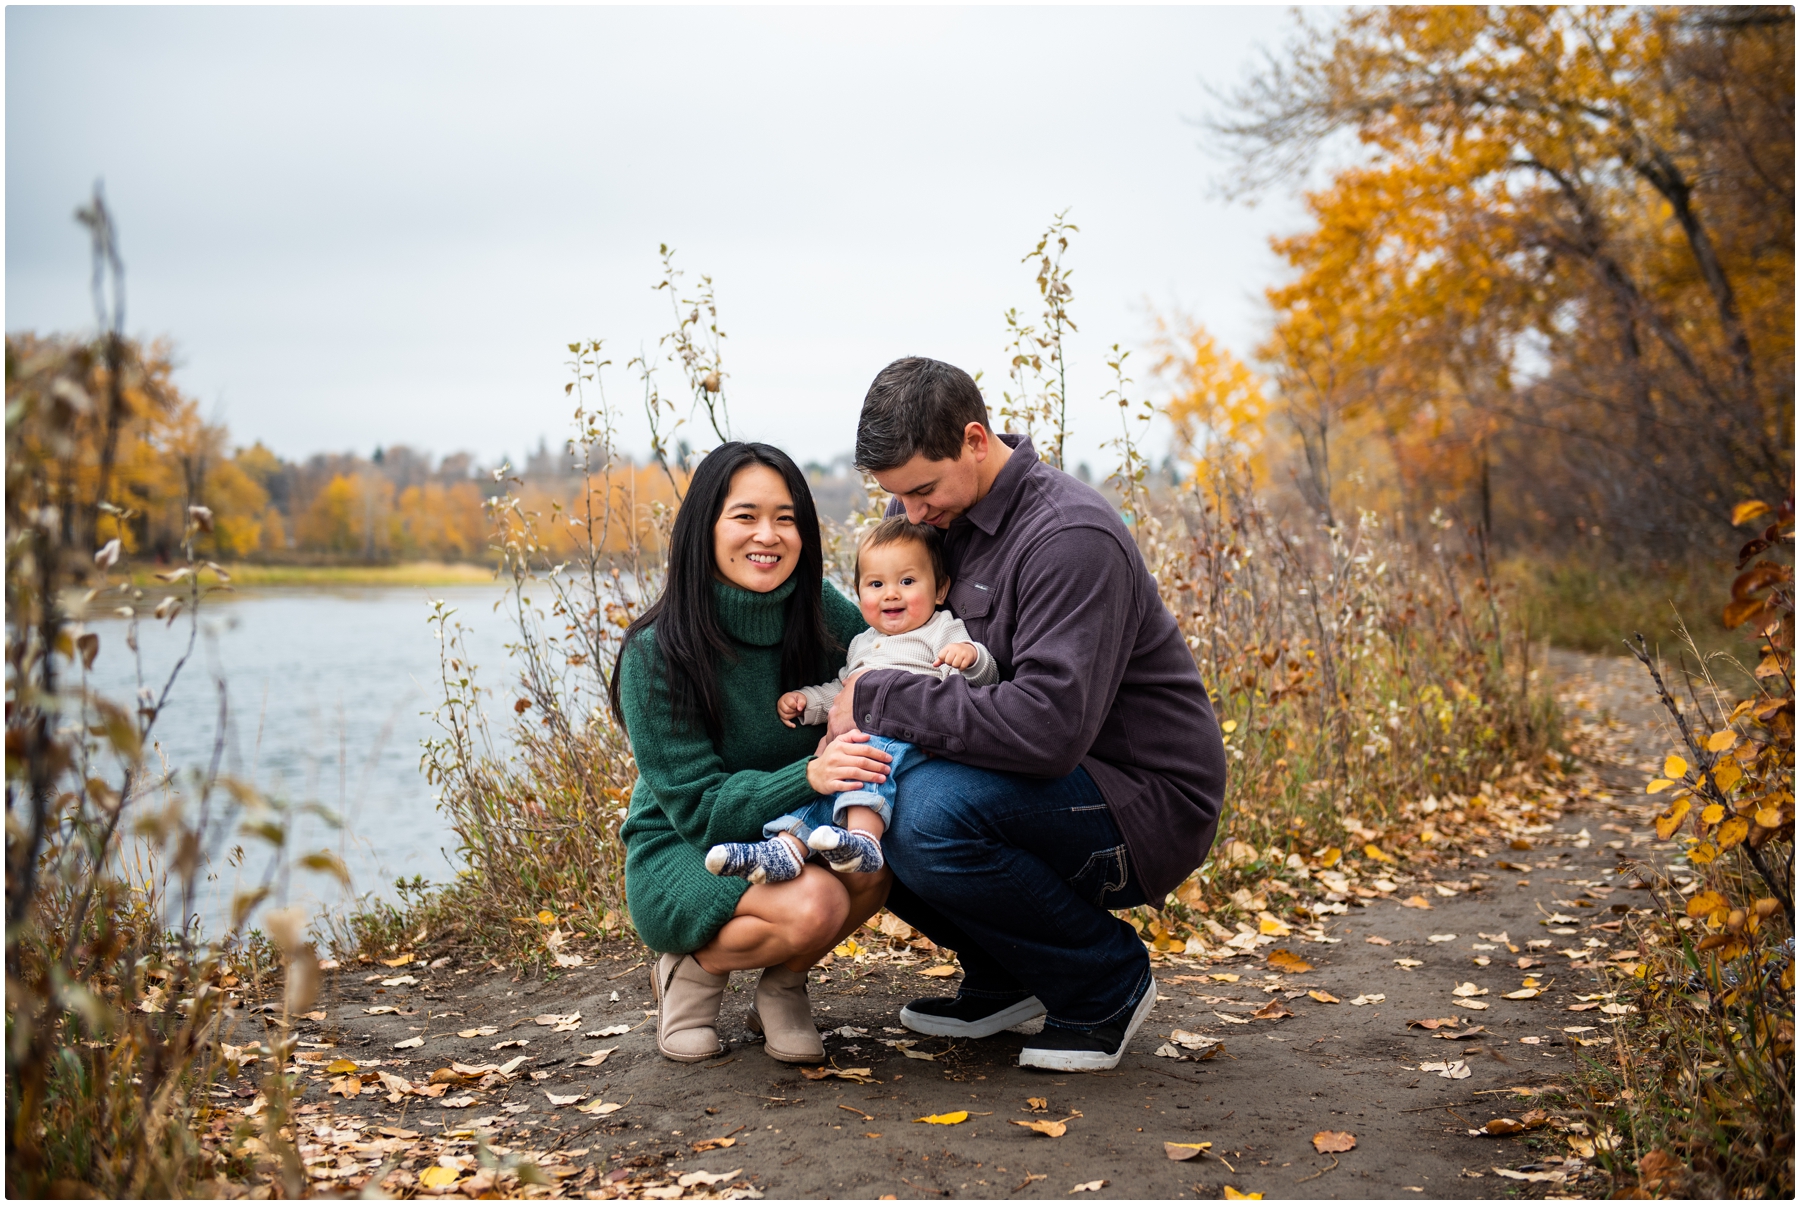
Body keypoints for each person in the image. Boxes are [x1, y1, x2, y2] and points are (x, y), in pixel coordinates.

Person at [827, 356, 1228, 1072]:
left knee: (921, 814)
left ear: (976, 440)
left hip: (1141, 796)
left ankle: (1104, 981)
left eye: (921, 490)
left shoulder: (1070, 536)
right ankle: (1008, 974)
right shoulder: (926, 518)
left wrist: (877, 695)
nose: (909, 514)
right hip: (1038, 776)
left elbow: (1047, 730)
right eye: (896, 496)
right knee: (859, 796)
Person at [611, 442, 893, 1064]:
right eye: (745, 516)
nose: (768, 535)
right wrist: (814, 774)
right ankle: (691, 972)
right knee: (815, 904)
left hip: (793, 827)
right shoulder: (656, 651)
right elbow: (701, 811)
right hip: (685, 845)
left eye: (786, 518)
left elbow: (898, 656)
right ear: (704, 528)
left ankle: (782, 988)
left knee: (873, 863)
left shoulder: (818, 612)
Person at [705, 516, 998, 883]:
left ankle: (863, 839)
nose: (891, 593)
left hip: (905, 733)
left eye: (907, 582)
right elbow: (841, 692)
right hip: (852, 739)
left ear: (940, 590)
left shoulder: (941, 628)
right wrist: (808, 702)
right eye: (876, 584)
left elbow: (978, 683)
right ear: (859, 593)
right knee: (822, 770)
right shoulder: (862, 641)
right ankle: (785, 846)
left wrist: (971, 657)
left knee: (862, 758)